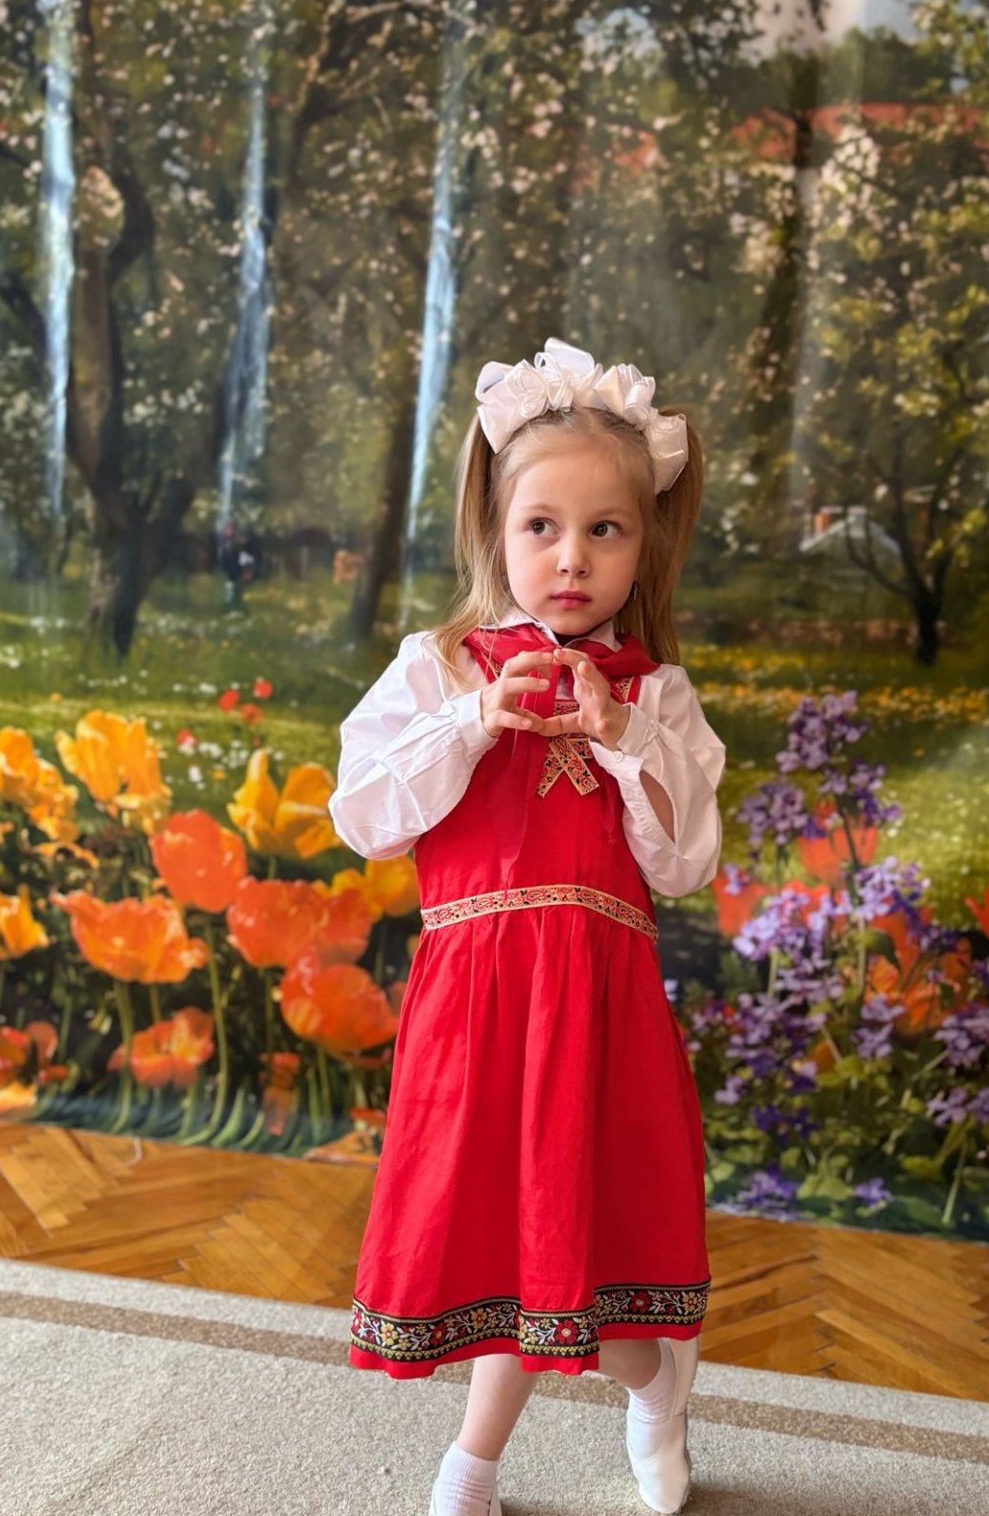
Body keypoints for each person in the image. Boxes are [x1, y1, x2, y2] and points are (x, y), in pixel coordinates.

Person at [329, 337, 726, 1516]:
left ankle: (618, 1402)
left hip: (596, 1014)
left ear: (643, 543)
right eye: (541, 526)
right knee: (507, 1256)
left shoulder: (652, 693)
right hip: (478, 1010)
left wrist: (623, 737)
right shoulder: (442, 667)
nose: (571, 556)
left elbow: (684, 860)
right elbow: (366, 816)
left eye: (605, 529)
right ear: (494, 530)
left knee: (581, 1273)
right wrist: (470, 723)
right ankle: (517, 1444)